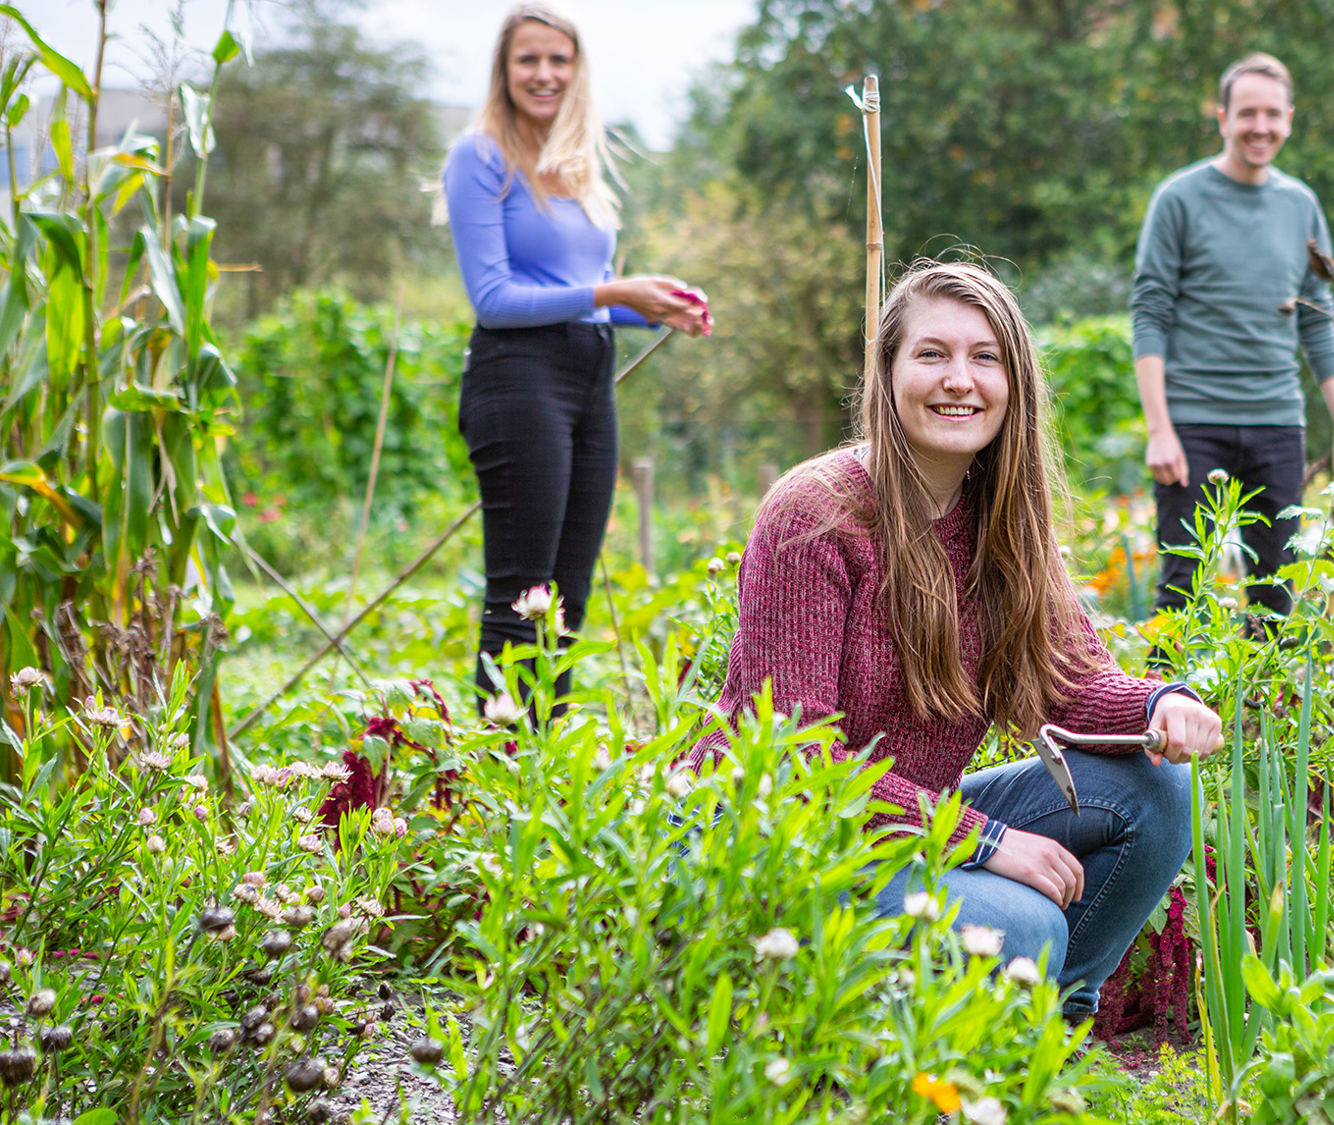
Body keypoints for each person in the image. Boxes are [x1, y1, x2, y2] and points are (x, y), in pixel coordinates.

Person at [706, 262, 1222, 1021]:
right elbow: (791, 758)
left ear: (1014, 384)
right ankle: (883, 1031)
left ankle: (1041, 1032)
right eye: (931, 354)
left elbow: (1072, 681)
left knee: (1153, 788)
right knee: (1025, 923)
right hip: (787, 841)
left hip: (909, 824)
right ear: (886, 373)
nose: (960, 380)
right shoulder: (814, 516)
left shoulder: (1002, 520)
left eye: (985, 357)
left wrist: (1164, 702)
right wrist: (982, 843)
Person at [440, 3, 709, 706]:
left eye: (559, 59)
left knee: (567, 598)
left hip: (589, 376)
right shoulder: (479, 158)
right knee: (522, 593)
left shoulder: (578, 167)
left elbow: (576, 294)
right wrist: (617, 288)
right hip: (516, 376)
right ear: (503, 70)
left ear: (577, 70)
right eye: (528, 58)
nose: (545, 73)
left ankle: (543, 767)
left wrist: (652, 306)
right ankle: (498, 775)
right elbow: (495, 297)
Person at [1131, 53, 1334, 622]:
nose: (1259, 127)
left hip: (1278, 423)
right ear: (1222, 118)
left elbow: (1318, 320)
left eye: (1272, 114)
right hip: (1193, 425)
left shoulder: (1300, 205)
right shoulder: (1178, 199)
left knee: (1277, 594)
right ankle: (1166, 712)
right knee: (1182, 591)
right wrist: (1159, 429)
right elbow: (1149, 312)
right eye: (1246, 113)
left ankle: (1262, 710)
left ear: (1289, 118)